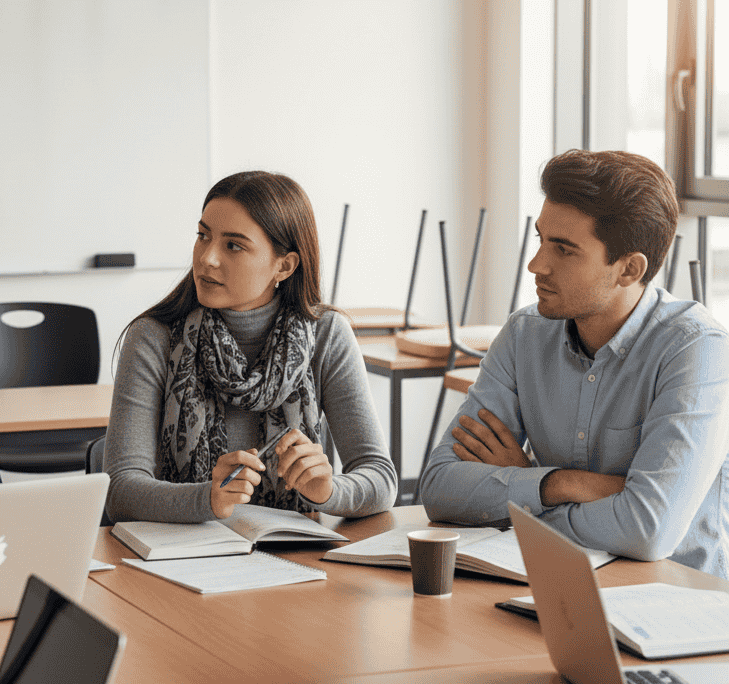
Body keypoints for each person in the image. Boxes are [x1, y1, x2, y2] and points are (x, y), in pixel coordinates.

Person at [419, 149, 729, 577]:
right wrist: (557, 483)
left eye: (564, 250)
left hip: (677, 604)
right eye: (540, 239)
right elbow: (438, 487)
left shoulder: (696, 349)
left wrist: (520, 492)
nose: (536, 265)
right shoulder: (525, 333)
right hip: (559, 587)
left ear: (629, 269)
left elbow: (648, 530)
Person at [104, 171, 395, 522]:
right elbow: (120, 491)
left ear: (284, 266)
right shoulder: (153, 337)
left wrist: (329, 490)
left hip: (296, 556)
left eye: (233, 245)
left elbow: (380, 477)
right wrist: (208, 499)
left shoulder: (327, 334)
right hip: (180, 557)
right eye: (203, 236)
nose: (207, 258)